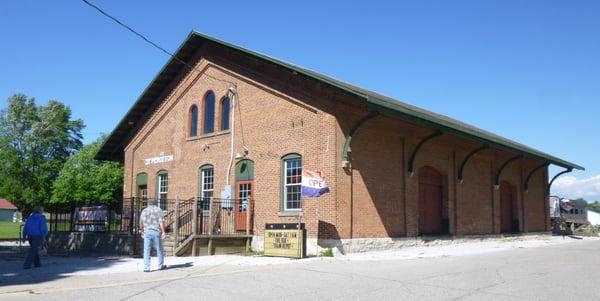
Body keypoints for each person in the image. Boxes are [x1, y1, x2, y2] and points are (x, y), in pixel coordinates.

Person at [139, 199, 167, 272]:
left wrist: (142, 232)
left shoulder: (144, 211)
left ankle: (146, 267)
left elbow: (141, 223)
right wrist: (163, 232)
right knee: (159, 249)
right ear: (155, 203)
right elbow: (161, 222)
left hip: (147, 231)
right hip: (156, 231)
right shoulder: (158, 210)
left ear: (148, 203)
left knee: (146, 250)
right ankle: (160, 265)